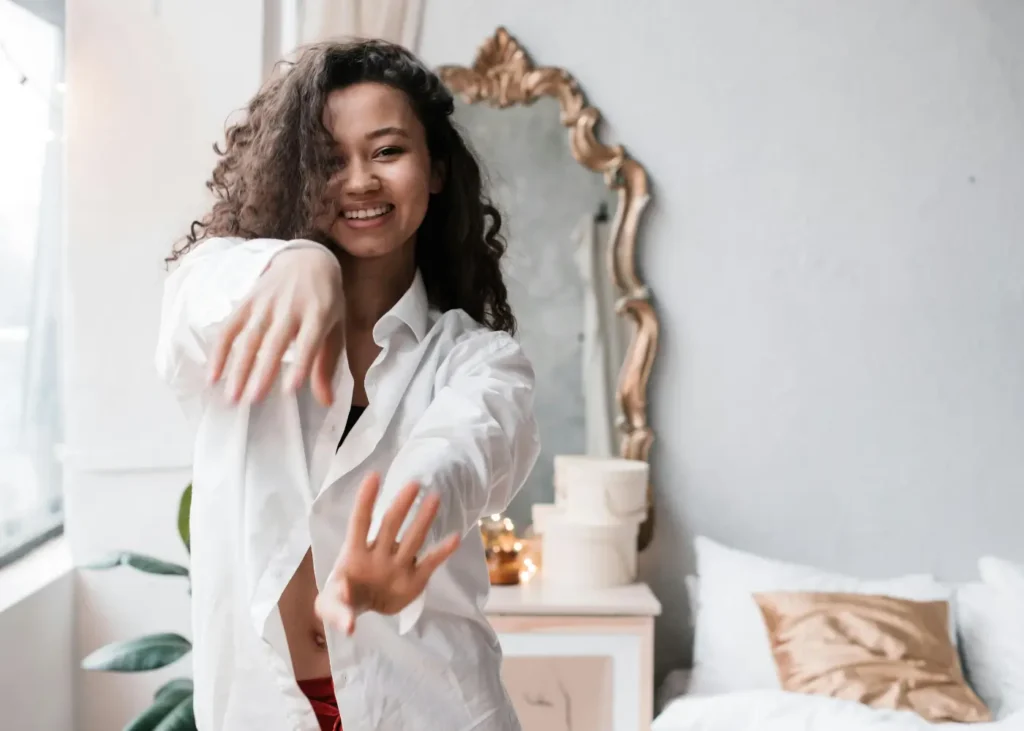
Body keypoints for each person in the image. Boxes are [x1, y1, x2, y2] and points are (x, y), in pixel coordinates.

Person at [155, 39, 540, 731]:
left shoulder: (480, 361)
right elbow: (191, 304)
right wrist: (296, 262)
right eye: (330, 161)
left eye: (387, 151)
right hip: (266, 709)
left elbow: (462, 450)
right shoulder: (228, 294)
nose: (359, 180)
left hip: (430, 708)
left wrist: (402, 528)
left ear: (437, 170)